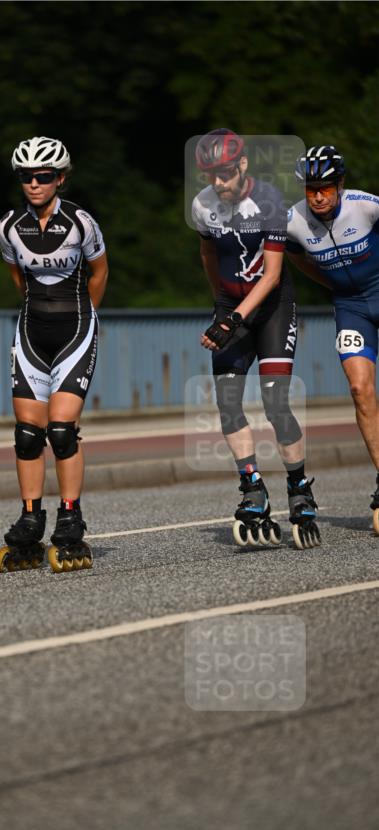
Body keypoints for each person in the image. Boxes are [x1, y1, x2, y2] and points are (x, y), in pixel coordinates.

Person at [192, 129, 319, 549]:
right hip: (232, 306)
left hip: (272, 308)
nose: (218, 182)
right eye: (210, 175)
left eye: (225, 173)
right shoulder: (202, 205)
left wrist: (233, 319)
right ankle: (252, 486)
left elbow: (272, 276)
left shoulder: (269, 202)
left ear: (242, 165)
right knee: (227, 401)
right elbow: (208, 255)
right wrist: (221, 305)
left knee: (275, 402)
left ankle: (299, 487)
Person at [0, 136, 109, 573]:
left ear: (60, 178)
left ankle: (70, 515)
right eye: (26, 176)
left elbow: (100, 272)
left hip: (75, 329)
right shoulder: (9, 226)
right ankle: (30, 517)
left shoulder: (81, 222)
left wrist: (87, 317)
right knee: (28, 433)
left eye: (43, 176)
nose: (34, 183)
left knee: (61, 430)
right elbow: (17, 279)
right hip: (31, 331)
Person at [286, 145, 379, 535]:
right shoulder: (293, 222)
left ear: (340, 184)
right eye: (310, 189)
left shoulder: (366, 206)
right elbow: (297, 259)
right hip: (350, 307)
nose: (318, 196)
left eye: (324, 188)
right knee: (359, 389)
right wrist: (334, 287)